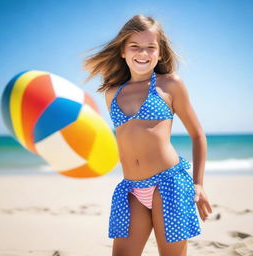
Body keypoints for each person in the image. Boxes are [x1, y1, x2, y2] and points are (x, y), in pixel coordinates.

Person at [83, 14, 212, 256]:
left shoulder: (170, 85)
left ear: (160, 53)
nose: (143, 53)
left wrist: (199, 183)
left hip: (169, 184)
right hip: (131, 189)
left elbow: (198, 135)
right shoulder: (112, 92)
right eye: (135, 46)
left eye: (150, 47)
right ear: (122, 51)